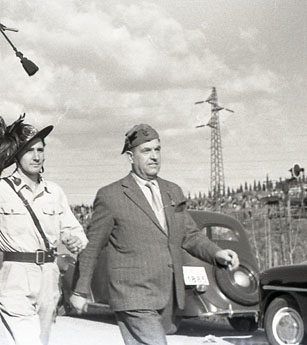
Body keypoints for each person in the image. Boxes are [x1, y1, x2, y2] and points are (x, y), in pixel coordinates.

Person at [69, 123, 239, 345]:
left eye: (157, 149)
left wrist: (217, 253)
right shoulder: (111, 196)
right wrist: (80, 290)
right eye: (146, 151)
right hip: (132, 295)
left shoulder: (173, 191)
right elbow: (92, 247)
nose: (154, 156)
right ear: (131, 157)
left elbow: (189, 234)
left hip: (169, 294)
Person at [0, 113, 88, 345]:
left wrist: (74, 239)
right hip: (16, 275)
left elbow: (75, 232)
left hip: (49, 276)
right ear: (16, 155)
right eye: (29, 151)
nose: (36, 156)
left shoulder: (54, 192)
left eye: (40, 150)